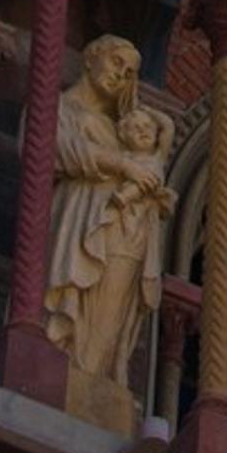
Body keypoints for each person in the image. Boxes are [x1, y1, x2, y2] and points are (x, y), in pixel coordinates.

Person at [44, 35, 176, 385]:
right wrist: (122, 166)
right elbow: (49, 146)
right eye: (117, 63)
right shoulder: (60, 110)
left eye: (130, 72)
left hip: (122, 233)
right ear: (90, 58)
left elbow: (159, 147)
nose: (122, 75)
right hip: (75, 225)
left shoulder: (122, 128)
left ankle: (92, 384)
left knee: (107, 325)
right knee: (65, 319)